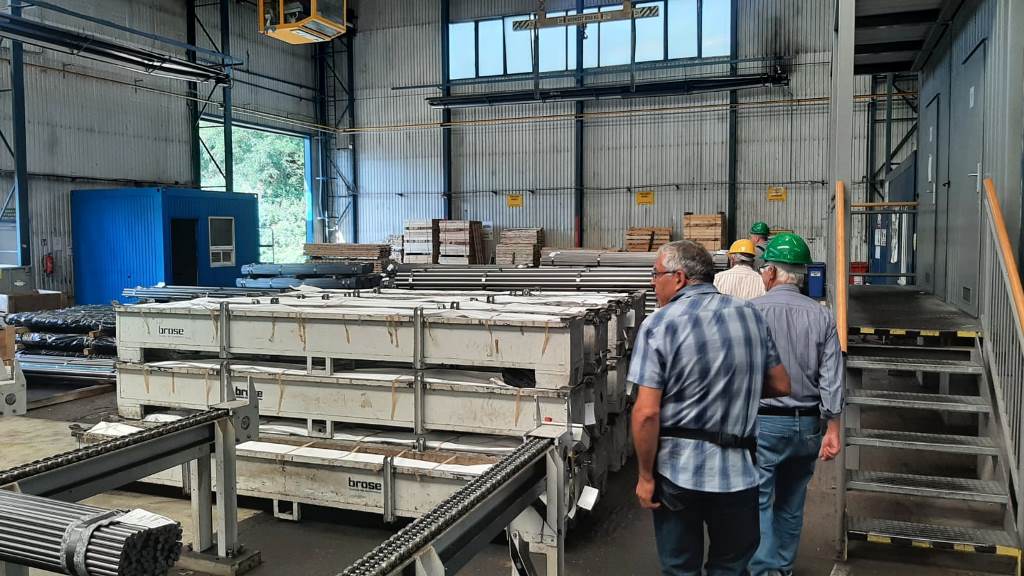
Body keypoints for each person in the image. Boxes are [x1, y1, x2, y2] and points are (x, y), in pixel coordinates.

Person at [630, 240, 792, 576]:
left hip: (678, 474)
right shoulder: (751, 315)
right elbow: (781, 385)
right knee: (730, 567)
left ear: (678, 278)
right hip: (740, 473)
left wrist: (645, 477)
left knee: (680, 569)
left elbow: (646, 414)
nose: (652, 283)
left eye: (656, 275)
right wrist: (737, 388)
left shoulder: (660, 324)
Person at [748, 233, 844, 576]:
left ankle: (763, 571)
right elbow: (832, 378)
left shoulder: (751, 311)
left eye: (764, 269)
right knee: (791, 503)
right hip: (807, 427)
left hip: (763, 424)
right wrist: (833, 428)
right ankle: (783, 569)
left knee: (758, 502)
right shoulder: (822, 316)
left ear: (772, 272)